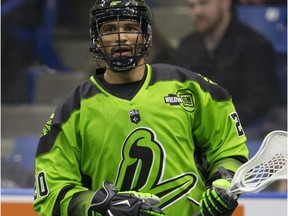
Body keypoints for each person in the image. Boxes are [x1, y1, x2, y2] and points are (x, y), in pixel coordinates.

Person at [33, 0, 249, 215]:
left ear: (146, 36)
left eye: (130, 28)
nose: (121, 38)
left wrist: (224, 182)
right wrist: (104, 204)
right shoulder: (72, 112)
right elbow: (50, 194)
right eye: (109, 30)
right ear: (97, 41)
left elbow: (227, 148)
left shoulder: (192, 88)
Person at [176, 0, 278, 136]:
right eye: (191, 6)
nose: (197, 12)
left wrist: (217, 120)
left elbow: (260, 101)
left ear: (225, 3)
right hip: (195, 128)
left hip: (240, 128)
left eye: (204, 3)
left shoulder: (255, 45)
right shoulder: (186, 46)